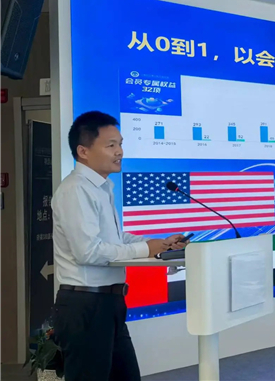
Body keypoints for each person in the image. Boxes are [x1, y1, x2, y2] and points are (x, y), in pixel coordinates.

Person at [52, 111, 187, 381]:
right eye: (110, 145)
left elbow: (115, 239)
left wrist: (158, 244)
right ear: (83, 151)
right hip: (85, 305)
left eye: (120, 144)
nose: (119, 152)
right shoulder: (76, 189)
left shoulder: (101, 188)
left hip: (108, 304)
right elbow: (88, 251)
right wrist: (145, 250)